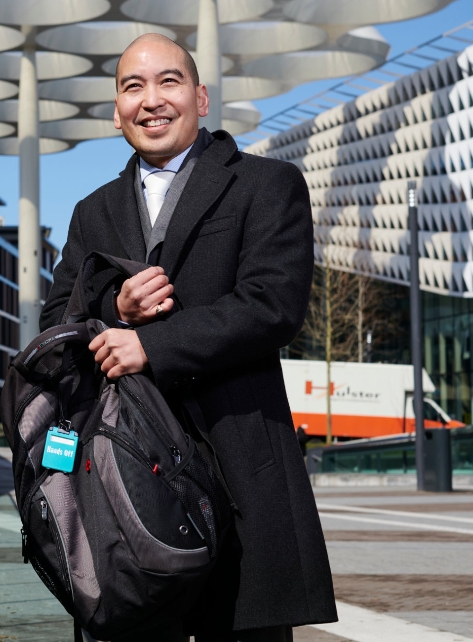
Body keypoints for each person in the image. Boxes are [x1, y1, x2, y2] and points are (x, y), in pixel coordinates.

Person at [41, 34, 336, 641]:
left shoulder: (266, 184)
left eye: (168, 82)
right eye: (132, 87)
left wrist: (153, 346)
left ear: (200, 98)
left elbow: (273, 305)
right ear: (115, 109)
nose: (151, 100)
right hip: (121, 493)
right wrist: (114, 310)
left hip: (238, 477)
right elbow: (55, 326)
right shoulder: (90, 212)